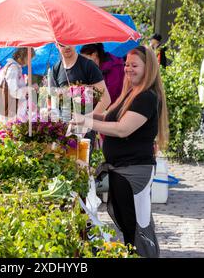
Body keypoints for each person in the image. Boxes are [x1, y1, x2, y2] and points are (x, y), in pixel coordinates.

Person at [72, 45, 169, 258]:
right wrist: (81, 114)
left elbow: (123, 128)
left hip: (134, 172)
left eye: (134, 65)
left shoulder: (147, 97)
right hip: (120, 170)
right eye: (126, 64)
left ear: (148, 68)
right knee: (127, 226)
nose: (128, 69)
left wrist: (87, 121)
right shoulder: (131, 93)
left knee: (138, 228)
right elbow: (109, 117)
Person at [0, 47, 35, 124]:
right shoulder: (13, 69)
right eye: (29, 58)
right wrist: (29, 88)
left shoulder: (14, 67)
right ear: (23, 56)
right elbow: (13, 92)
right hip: (11, 112)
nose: (30, 62)